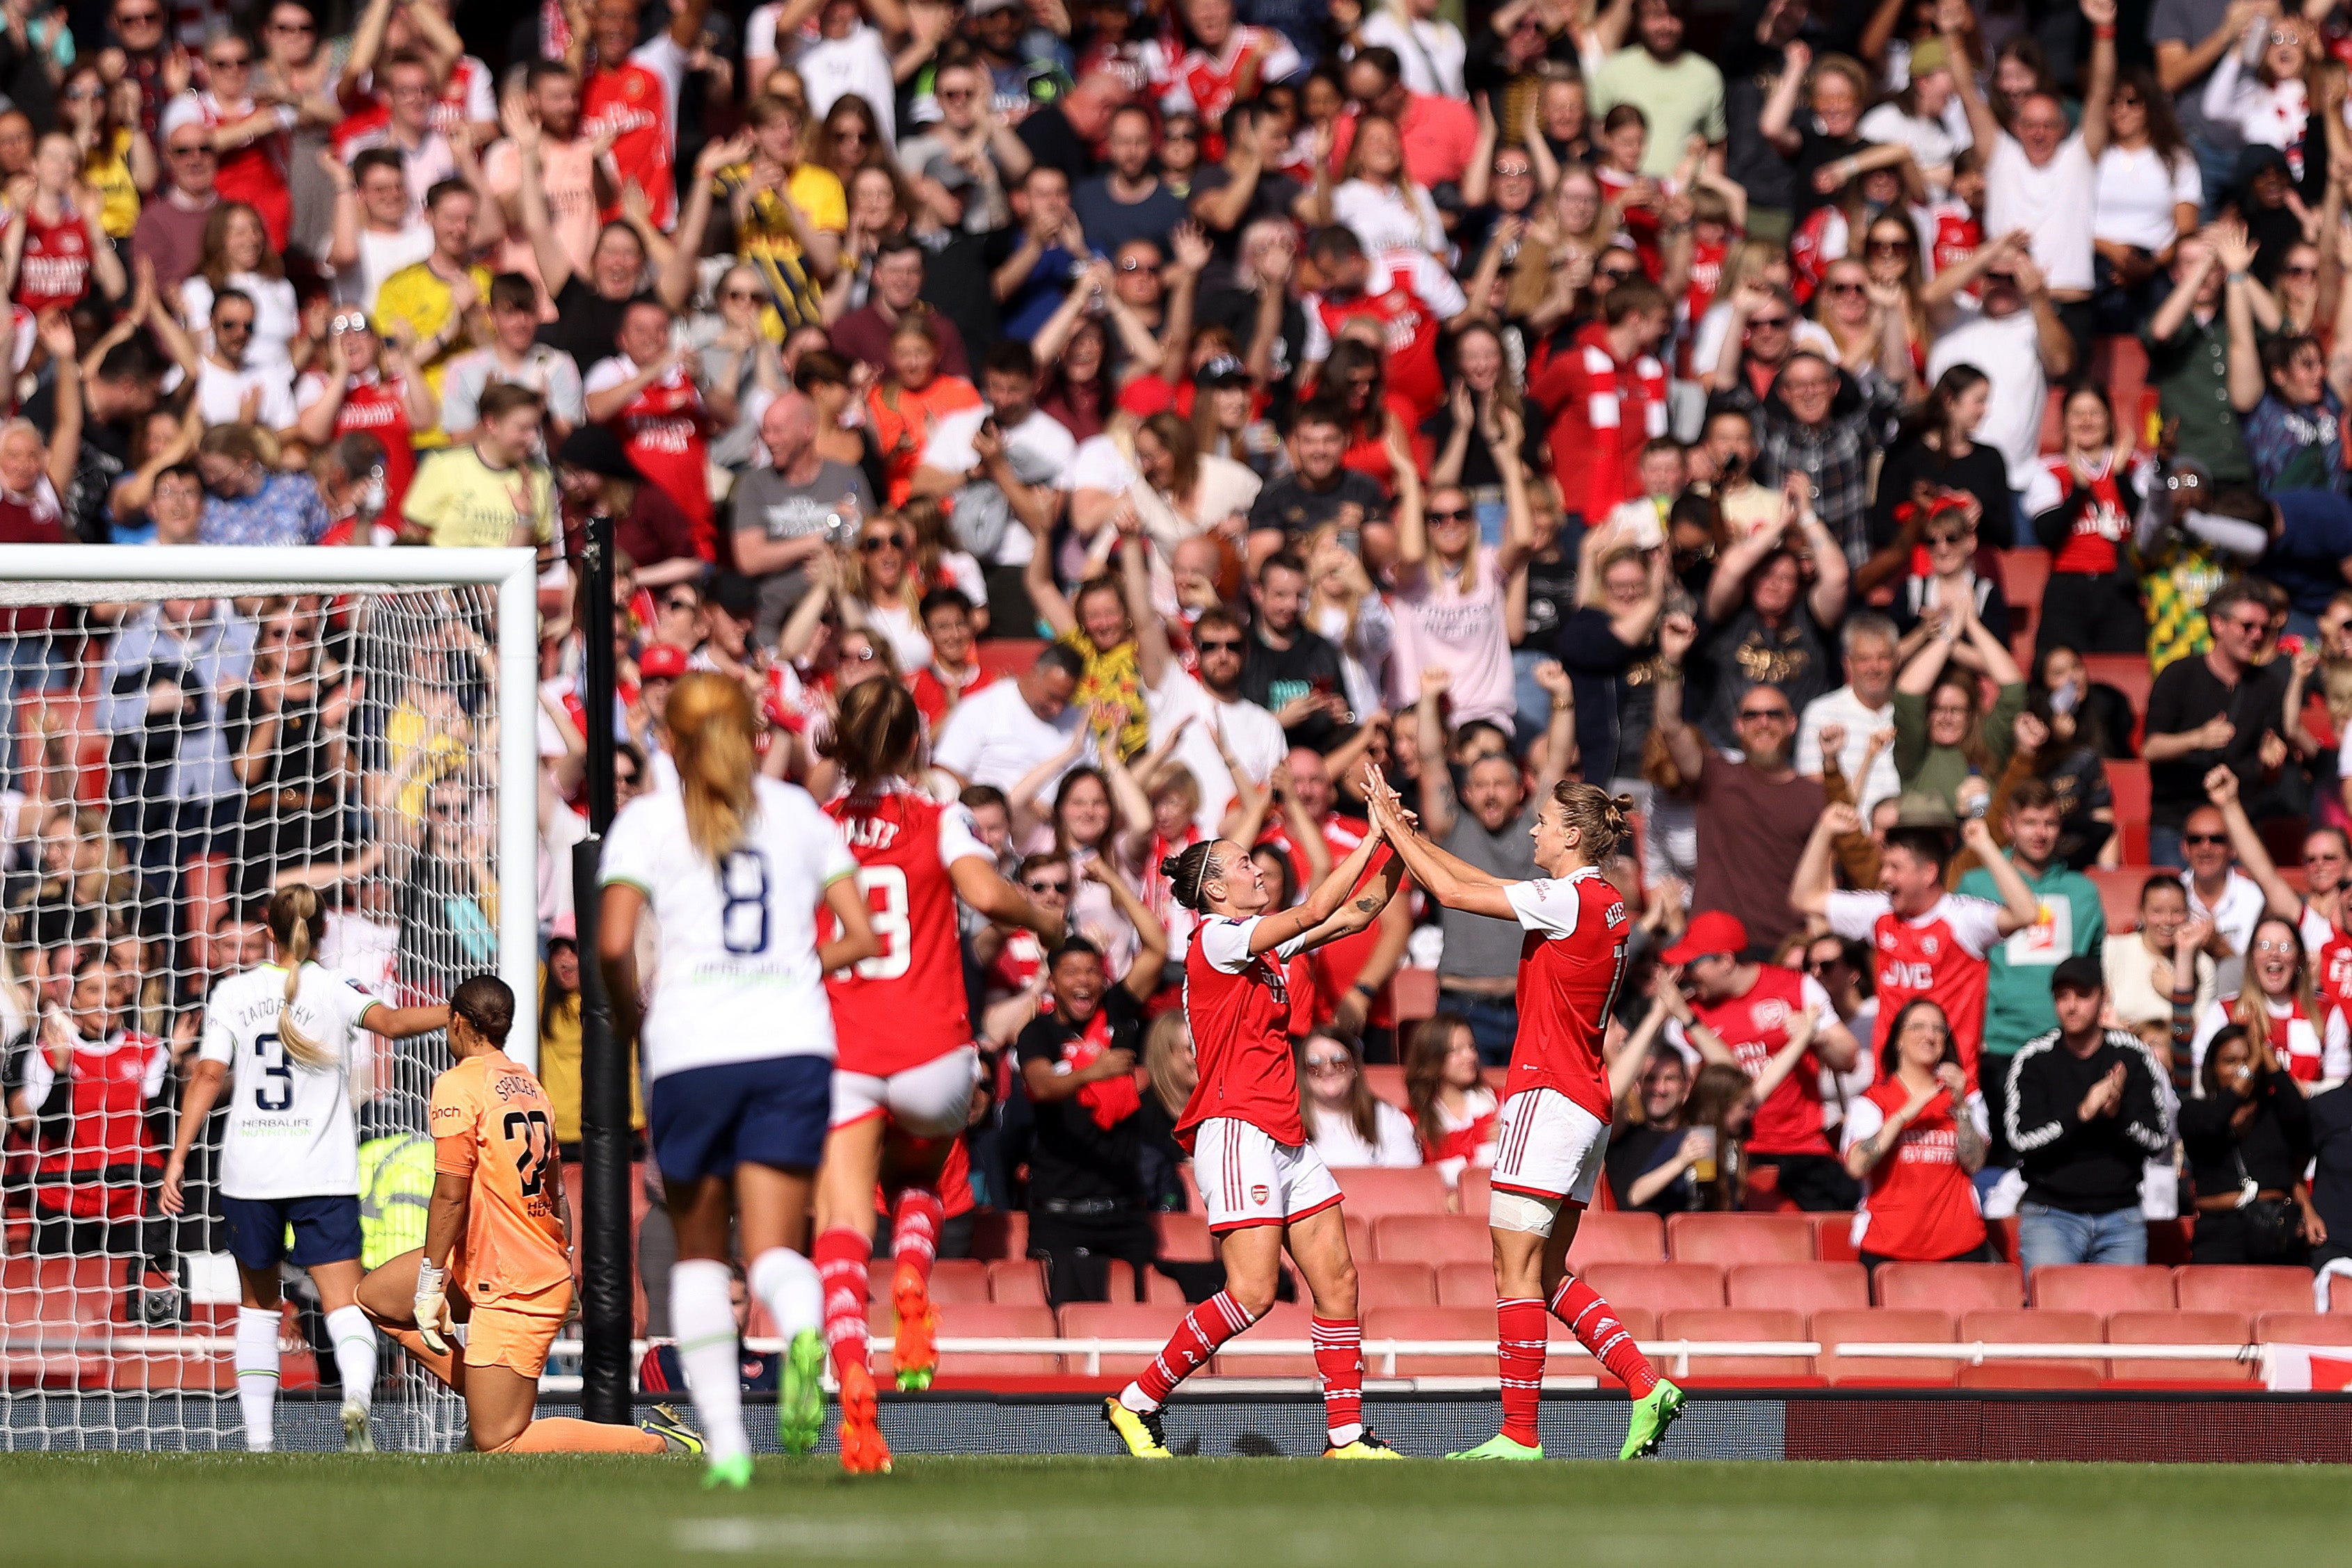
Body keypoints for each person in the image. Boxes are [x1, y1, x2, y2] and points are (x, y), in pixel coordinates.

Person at [596, 673, 882, 1489]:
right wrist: (788, 968)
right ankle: (803, 1330)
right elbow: (860, 934)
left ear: (674, 742)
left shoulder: (648, 820)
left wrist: (632, 1014)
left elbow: (615, 943)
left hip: (692, 1047)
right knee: (770, 1249)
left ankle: (726, 1445)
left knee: (695, 1251)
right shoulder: (797, 811)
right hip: (794, 1043)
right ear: (752, 735)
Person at [1366, 774, 1685, 1462]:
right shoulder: (1602, 901)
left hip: (1548, 1097)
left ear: (1572, 835)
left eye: (1542, 822)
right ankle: (1643, 1381)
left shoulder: (1568, 898)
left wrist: (1391, 831)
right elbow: (1473, 879)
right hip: (1588, 1101)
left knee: (1512, 1269)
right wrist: (1410, 833)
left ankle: (1518, 1434)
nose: (1534, 832)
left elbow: (1452, 895)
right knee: (1545, 1274)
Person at [808, 681, 1062, 1464]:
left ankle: (853, 1383)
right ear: (915, 743)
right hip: (934, 1052)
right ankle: (913, 1281)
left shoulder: (812, 826)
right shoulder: (937, 815)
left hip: (845, 1048)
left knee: (843, 1223)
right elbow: (987, 895)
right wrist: (1044, 917)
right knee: (923, 1168)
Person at [1103, 824, 1407, 1460]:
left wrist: (1399, 847)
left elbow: (1354, 914)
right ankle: (1136, 1402)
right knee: (1252, 1294)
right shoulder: (1217, 940)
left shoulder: (1259, 949)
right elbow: (1319, 907)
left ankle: (1346, 1437)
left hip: (1282, 1132)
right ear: (1214, 889)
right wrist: (1371, 832)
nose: (1260, 870)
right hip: (1236, 1129)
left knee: (1339, 1281)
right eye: (1245, 865)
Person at [157, 885, 451, 1453]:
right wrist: (455, 1010)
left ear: (268, 930)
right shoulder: (336, 986)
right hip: (323, 1172)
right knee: (344, 1301)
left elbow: (207, 1076)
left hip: (251, 1173)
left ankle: (261, 1445)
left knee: (259, 1309)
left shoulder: (233, 991)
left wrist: (176, 1158)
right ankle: (359, 1400)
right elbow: (389, 1024)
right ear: (322, 933)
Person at [351, 974, 698, 1456]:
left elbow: (450, 1195)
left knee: (499, 1442)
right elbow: (555, 1192)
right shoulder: (529, 1086)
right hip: (505, 1262)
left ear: (456, 1023)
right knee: (376, 1297)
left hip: (514, 1280)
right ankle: (486, 1393)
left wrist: (431, 1283)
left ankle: (655, 1442)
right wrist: (568, 1264)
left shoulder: (457, 1085)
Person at [1793, 798, 2042, 1082]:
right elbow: (1804, 898)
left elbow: (2027, 913)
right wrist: (1825, 830)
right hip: (1890, 1088)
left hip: (1953, 1090)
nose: (1884, 876)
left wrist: (1986, 848)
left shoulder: (1964, 919)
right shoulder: (1879, 911)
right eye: (1885, 866)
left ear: (1928, 873)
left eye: (1894, 868)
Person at [1413, 661, 1579, 1064]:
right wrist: (1427, 700)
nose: (1490, 795)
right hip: (1463, 1006)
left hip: (1529, 1004)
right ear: (1466, 793)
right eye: (1481, 786)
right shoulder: (1452, 828)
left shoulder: (1540, 827)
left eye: (1500, 784)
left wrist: (1562, 698)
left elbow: (1557, 759)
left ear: (1520, 787)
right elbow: (1431, 759)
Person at [1659, 909, 1864, 1211]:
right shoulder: (1686, 1016)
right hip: (1733, 1150)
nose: (1686, 972)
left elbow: (1849, 1058)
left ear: (1726, 960)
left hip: (1801, 1145)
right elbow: (1694, 1101)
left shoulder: (1797, 986)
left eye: (1693, 963)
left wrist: (1816, 1036)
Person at [1652, 610, 1824, 959]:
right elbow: (1669, 725)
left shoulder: (1815, 795)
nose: (1763, 723)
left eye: (1773, 714)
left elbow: (1824, 882)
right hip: (1713, 952)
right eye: (1751, 715)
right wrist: (1671, 660)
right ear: (1738, 726)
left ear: (1792, 723)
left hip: (1782, 951)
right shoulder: (1716, 776)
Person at [2004, 955, 2175, 1270]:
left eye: (2083, 995)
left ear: (2103, 995)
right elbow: (2020, 1140)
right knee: (2052, 1318)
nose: (2072, 1006)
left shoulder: (2133, 1055)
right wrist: (2082, 1113)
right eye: (2062, 997)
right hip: (2050, 1216)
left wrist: (2116, 1114)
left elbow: (2158, 1141)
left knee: (2123, 1318)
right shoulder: (2034, 1059)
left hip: (2121, 1217)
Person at [1841, 998, 1993, 1268]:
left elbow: (1975, 1163)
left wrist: (1960, 1107)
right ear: (1898, 1039)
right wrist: (1901, 1116)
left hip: (1959, 1248)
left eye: (1938, 1029)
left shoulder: (1967, 1098)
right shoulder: (1873, 1101)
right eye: (1919, 1027)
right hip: (1888, 1249)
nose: (1930, 1035)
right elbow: (1857, 1165)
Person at [2180, 1022, 2321, 1265]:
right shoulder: (2195, 1112)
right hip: (2218, 1234)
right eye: (2230, 1061)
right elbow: (2213, 1123)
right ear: (2213, 1068)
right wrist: (2250, 1069)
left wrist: (2266, 1055)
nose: (2242, 1069)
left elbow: (2300, 1114)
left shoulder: (2276, 1112)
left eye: (2249, 1060)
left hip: (2276, 1231)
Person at [1299, 1031, 1421, 1170]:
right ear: (1303, 1073)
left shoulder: (1386, 1116)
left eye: (1339, 1061)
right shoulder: (1289, 1121)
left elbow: (1405, 1178)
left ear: (1354, 1068)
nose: (1328, 1070)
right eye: (1314, 1064)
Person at [1401, 1014, 1498, 1185]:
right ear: (1432, 1058)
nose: (1471, 1056)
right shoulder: (1411, 1122)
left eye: (1472, 1047)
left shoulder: (1500, 1104)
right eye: (1457, 1050)